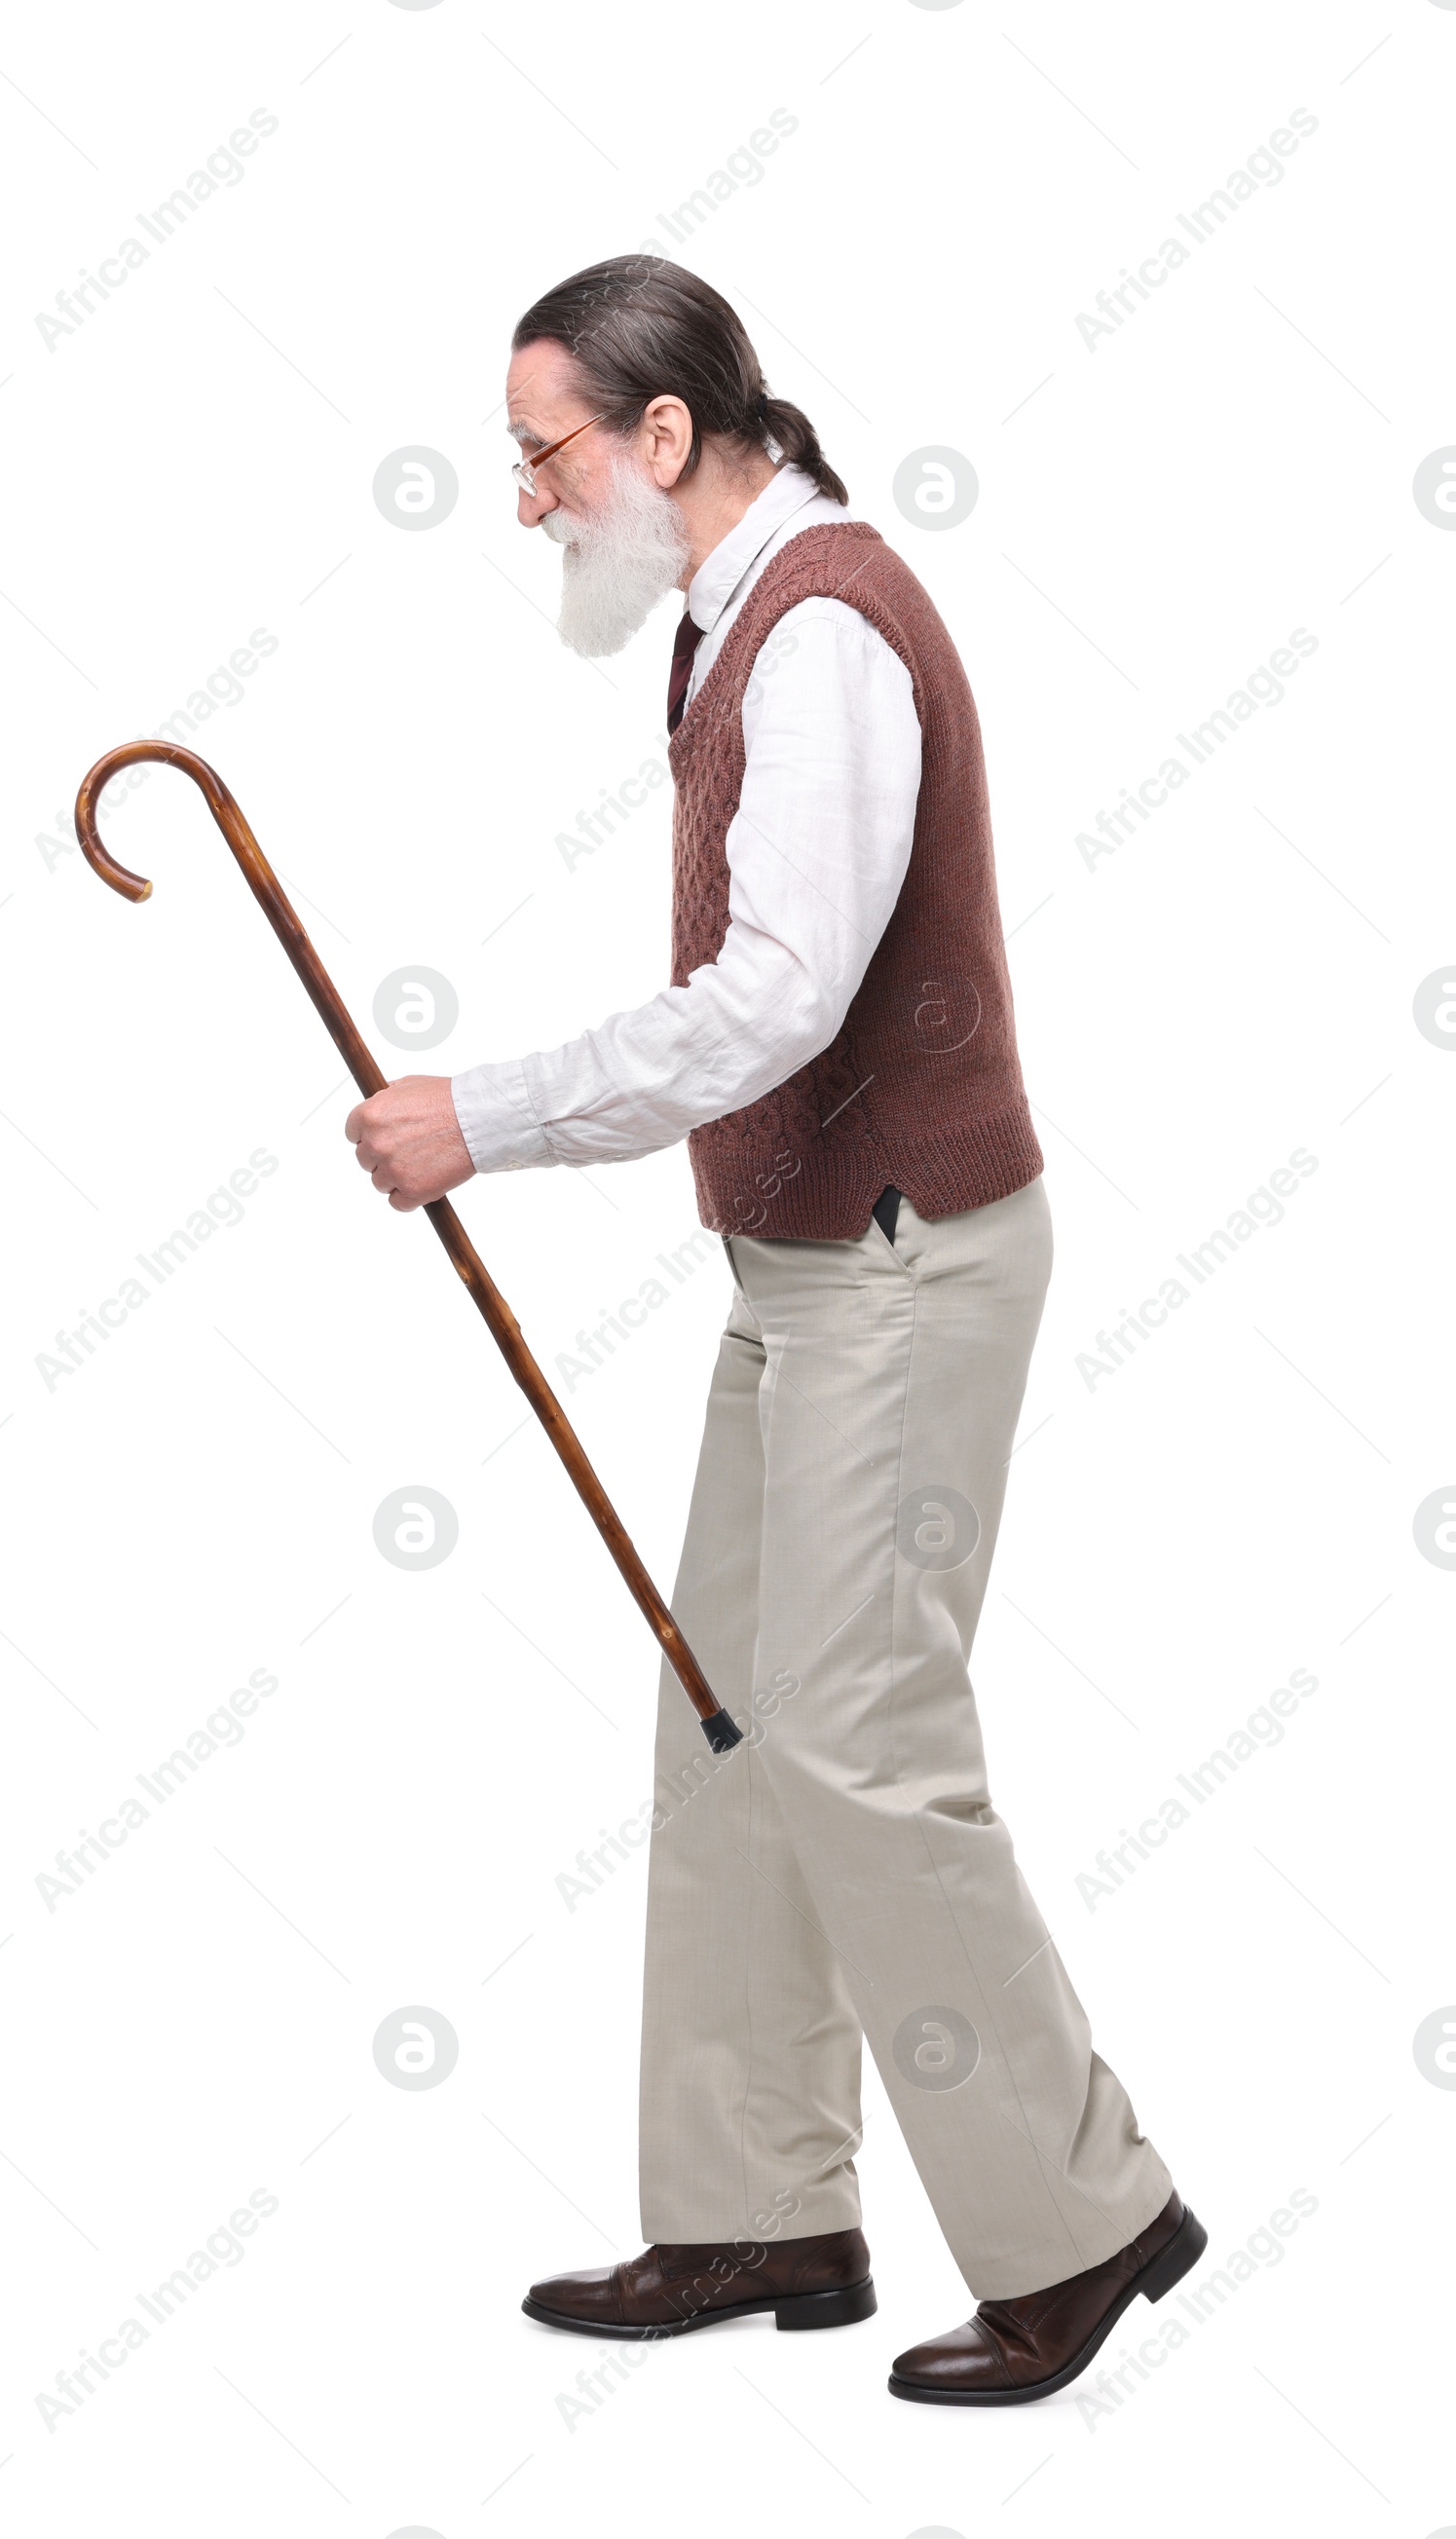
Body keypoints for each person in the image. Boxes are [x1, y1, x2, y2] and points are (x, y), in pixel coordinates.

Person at [345, 256, 1204, 2405]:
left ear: (658, 436)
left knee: (858, 1739)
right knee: (730, 1715)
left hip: (903, 1265)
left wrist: (493, 1114)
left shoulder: (813, 632)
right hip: (818, 1264)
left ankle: (1083, 2218)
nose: (524, 499)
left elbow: (776, 997)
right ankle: (755, 2204)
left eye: (540, 450)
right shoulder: (739, 614)